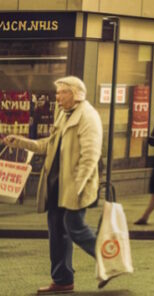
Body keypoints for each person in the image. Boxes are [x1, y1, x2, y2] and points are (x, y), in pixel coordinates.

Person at [2, 77, 103, 294]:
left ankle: (111, 259)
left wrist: (80, 184)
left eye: (61, 93)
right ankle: (62, 280)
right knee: (57, 232)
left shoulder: (88, 116)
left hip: (75, 186)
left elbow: (91, 155)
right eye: (57, 93)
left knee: (75, 228)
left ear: (75, 93)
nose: (57, 97)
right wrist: (20, 141)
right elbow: (48, 144)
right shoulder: (63, 115)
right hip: (56, 185)